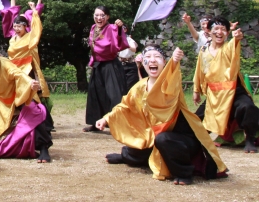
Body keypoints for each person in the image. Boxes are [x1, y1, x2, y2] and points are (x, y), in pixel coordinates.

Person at [97, 46, 228, 184]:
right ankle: (126, 157)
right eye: (148, 58)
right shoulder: (140, 86)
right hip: (155, 134)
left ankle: (184, 173)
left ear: (164, 62)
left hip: (180, 139)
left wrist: (175, 62)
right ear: (143, 63)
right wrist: (106, 118)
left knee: (163, 139)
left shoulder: (170, 83)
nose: (152, 60)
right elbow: (125, 106)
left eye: (157, 57)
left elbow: (171, 79)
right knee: (140, 143)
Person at [0, 41, 52, 163]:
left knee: (35, 113)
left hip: (16, 97)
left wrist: (30, 83)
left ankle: (44, 149)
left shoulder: (6, 65)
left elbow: (18, 74)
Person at [193, 16, 259, 153]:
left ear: (227, 33)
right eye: (216, 28)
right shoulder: (204, 51)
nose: (219, 32)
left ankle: (250, 139)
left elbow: (235, 44)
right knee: (195, 119)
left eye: (223, 29)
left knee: (248, 107)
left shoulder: (228, 47)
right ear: (209, 31)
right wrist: (196, 90)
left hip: (234, 91)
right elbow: (199, 71)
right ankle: (191, 141)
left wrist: (237, 37)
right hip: (214, 94)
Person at [2, 0, 51, 116]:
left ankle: (41, 118)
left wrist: (36, 6)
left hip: (27, 68)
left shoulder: (30, 37)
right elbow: (13, 13)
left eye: (20, 26)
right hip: (14, 70)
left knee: (32, 94)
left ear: (25, 26)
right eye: (15, 26)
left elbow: (37, 24)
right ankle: (17, 117)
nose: (17, 29)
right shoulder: (12, 38)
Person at [83, 5, 129, 132]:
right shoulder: (93, 28)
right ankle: (95, 122)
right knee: (95, 93)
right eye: (96, 15)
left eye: (102, 15)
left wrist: (119, 28)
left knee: (114, 95)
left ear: (107, 17)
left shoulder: (112, 28)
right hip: (98, 64)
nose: (99, 18)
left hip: (110, 65)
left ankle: (118, 123)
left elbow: (119, 42)